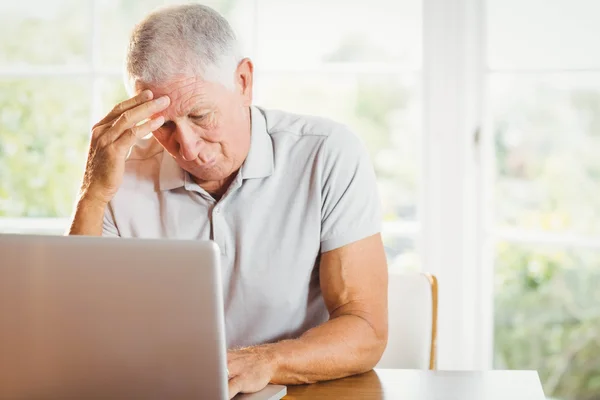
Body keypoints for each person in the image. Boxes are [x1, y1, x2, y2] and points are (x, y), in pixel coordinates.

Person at [68, 3, 388, 398]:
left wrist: (270, 360)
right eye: (162, 124)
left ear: (243, 81)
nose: (185, 146)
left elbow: (365, 328)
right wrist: (93, 193)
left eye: (200, 116)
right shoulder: (117, 174)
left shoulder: (328, 154)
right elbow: (76, 331)